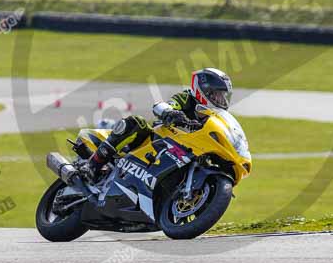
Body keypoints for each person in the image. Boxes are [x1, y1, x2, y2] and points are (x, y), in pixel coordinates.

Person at [86, 68, 233, 181]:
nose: (221, 101)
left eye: (224, 97)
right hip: (157, 141)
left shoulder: (214, 118)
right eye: (218, 95)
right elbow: (163, 106)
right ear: (205, 90)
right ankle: (93, 165)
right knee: (136, 123)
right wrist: (171, 113)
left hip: (185, 153)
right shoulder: (187, 98)